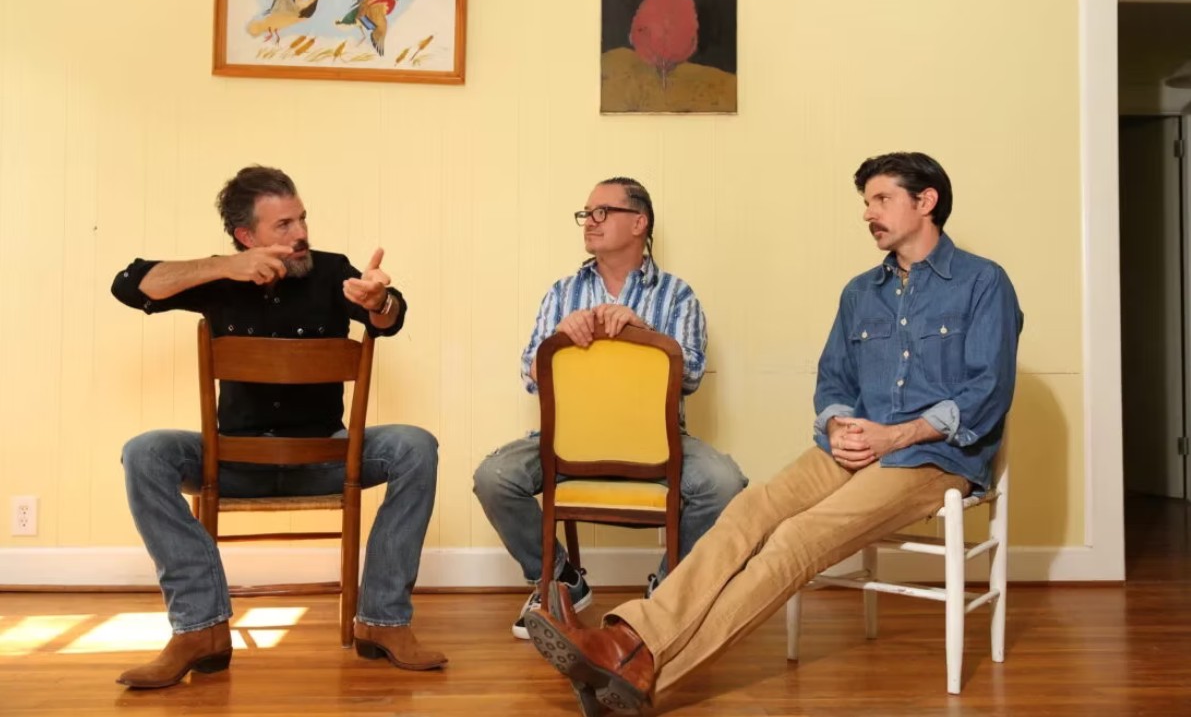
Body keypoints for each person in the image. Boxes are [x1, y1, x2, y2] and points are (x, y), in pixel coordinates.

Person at [524, 152, 1023, 715]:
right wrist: (838, 424)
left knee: (795, 539)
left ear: (925, 201)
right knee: (749, 510)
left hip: (932, 457)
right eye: (867, 202)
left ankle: (644, 677)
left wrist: (895, 437)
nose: (868, 214)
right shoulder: (861, 292)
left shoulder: (984, 283)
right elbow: (834, 380)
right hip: (851, 448)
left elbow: (988, 391)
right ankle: (626, 641)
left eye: (881, 199)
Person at [111, 165, 446, 688]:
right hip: (234, 462)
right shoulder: (219, 279)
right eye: (284, 225)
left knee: (415, 446)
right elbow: (130, 284)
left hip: (326, 459)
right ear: (247, 237)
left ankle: (382, 621)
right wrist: (226, 266)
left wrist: (380, 301)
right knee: (144, 452)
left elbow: (390, 318)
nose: (301, 233)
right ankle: (200, 629)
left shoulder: (332, 271)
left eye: (302, 219)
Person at [473, 177, 747, 640]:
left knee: (724, 484)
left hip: (660, 444)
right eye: (586, 213)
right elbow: (530, 374)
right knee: (494, 477)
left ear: (639, 222)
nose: (590, 222)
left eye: (602, 212)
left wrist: (644, 335)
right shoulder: (562, 293)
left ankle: (667, 592)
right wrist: (560, 339)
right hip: (567, 444)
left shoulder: (677, 295)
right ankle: (559, 581)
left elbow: (692, 375)